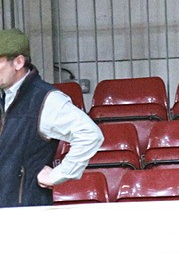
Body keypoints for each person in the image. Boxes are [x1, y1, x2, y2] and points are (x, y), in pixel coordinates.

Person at [0, 29, 103, 207]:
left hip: (25, 215)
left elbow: (90, 134)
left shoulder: (46, 99)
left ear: (18, 62)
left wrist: (58, 175)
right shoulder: (4, 97)